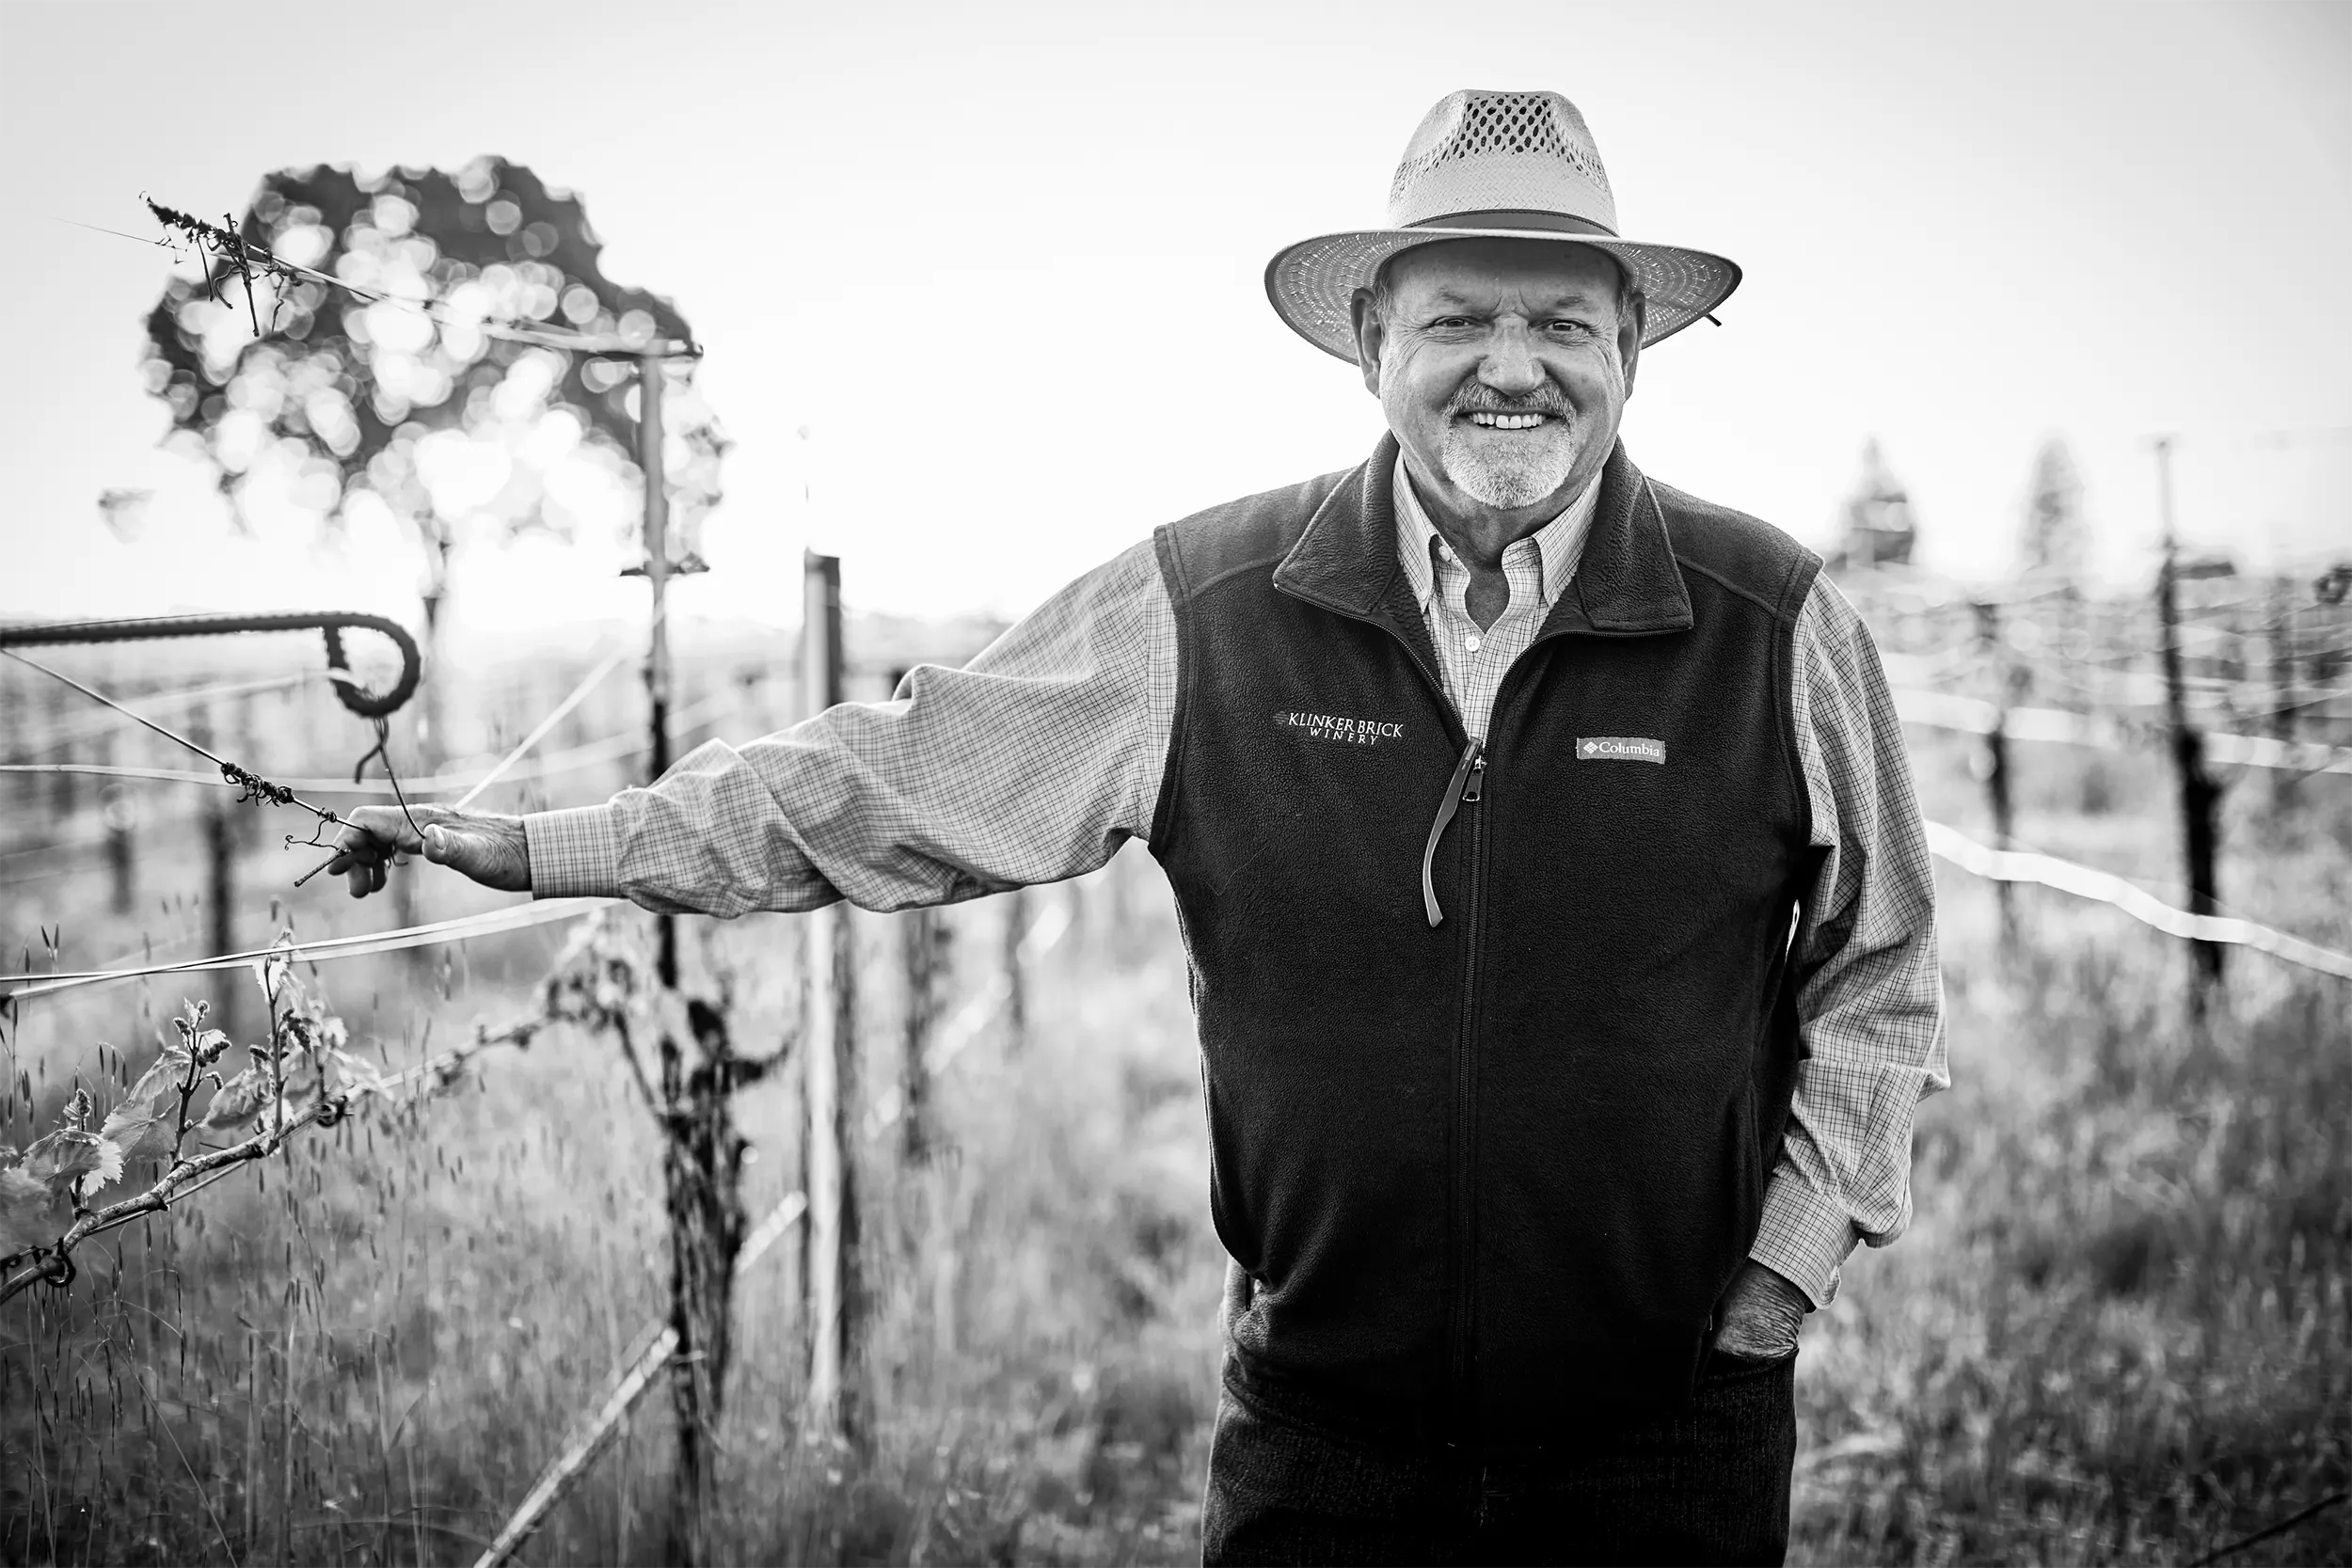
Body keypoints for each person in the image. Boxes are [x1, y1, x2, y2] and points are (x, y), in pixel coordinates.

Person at [331, 88, 1947, 1567]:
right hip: (1327, 1442)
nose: (1511, 366)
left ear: (1632, 351)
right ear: (1371, 337)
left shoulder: (1773, 621)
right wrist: (547, 843)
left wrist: (1778, 1279)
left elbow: (1880, 971)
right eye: (1459, 317)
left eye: (1562, 323)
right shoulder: (1206, 612)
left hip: (1663, 1443)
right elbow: (895, 778)